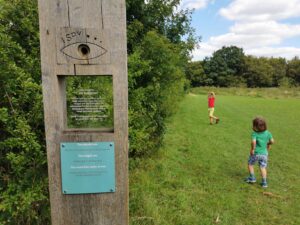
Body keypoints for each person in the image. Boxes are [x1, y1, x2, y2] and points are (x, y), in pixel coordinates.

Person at [245, 117, 274, 188]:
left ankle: (252, 178)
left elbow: (253, 142)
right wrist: (269, 144)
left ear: (255, 126)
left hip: (256, 153)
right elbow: (272, 141)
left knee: (250, 164)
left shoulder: (255, 134)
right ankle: (264, 183)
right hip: (264, 154)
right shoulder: (268, 133)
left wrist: (252, 149)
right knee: (263, 167)